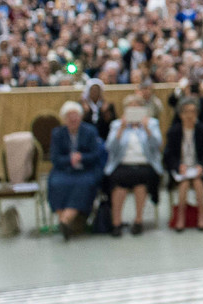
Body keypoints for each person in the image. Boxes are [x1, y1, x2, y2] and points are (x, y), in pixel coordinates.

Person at [104, 95, 163, 237]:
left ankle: (138, 220)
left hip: (144, 164)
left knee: (141, 180)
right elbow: (110, 148)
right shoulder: (117, 125)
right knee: (118, 181)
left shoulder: (152, 123)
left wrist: (147, 128)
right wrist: (121, 130)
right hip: (123, 164)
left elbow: (157, 145)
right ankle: (116, 222)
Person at [47, 101, 105, 241]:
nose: (73, 119)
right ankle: (66, 221)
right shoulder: (58, 133)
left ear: (80, 117)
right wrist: (69, 159)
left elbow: (96, 154)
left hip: (86, 169)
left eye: (75, 115)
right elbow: (55, 158)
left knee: (84, 184)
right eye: (69, 116)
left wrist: (81, 157)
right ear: (64, 119)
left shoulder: (90, 131)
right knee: (56, 184)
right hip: (64, 169)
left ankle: (65, 220)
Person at [163, 98, 203, 231]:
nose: (190, 115)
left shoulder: (202, 130)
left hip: (197, 168)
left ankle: (201, 216)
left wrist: (202, 166)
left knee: (198, 183)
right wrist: (178, 165)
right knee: (184, 185)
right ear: (181, 114)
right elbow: (168, 155)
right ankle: (180, 217)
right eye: (187, 112)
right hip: (182, 168)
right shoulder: (174, 131)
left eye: (193, 112)